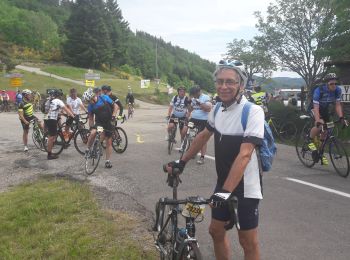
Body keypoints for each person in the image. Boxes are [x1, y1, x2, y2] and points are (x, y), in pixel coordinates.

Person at [165, 60, 264, 260]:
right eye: (220, 81)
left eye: (230, 82)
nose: (224, 86)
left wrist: (225, 193)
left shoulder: (252, 111)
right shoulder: (217, 109)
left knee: (247, 241)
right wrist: (182, 162)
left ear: (241, 85)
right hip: (223, 184)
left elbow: (245, 155)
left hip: (246, 187)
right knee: (216, 231)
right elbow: (203, 136)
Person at [308, 73, 348, 165]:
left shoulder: (337, 90)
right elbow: (316, 107)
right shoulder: (319, 90)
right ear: (327, 84)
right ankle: (310, 140)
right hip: (314, 108)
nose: (334, 85)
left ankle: (320, 151)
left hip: (324, 109)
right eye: (331, 84)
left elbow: (338, 105)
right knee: (320, 124)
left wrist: (341, 117)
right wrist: (318, 120)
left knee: (326, 129)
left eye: (335, 83)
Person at [83, 87, 118, 169]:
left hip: (109, 122)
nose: (90, 103)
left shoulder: (104, 98)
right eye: (88, 102)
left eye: (90, 100)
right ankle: (88, 150)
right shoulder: (90, 106)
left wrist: (113, 116)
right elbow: (91, 118)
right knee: (93, 132)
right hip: (100, 123)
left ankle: (107, 161)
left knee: (109, 142)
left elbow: (116, 106)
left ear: (93, 97)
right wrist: (91, 127)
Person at [44, 89, 75, 160]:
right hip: (51, 119)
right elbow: (66, 108)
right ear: (58, 95)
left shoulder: (51, 100)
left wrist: (64, 114)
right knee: (51, 137)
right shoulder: (58, 101)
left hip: (47, 118)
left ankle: (57, 142)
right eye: (60, 95)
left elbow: (55, 110)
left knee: (53, 135)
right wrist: (73, 116)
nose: (61, 97)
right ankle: (49, 154)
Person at [188, 86, 212, 164]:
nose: (193, 96)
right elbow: (190, 109)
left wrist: (200, 103)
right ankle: (193, 152)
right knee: (190, 135)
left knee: (202, 139)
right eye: (192, 94)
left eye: (194, 94)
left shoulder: (206, 97)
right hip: (193, 119)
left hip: (203, 120)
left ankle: (202, 157)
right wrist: (189, 103)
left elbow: (208, 108)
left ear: (198, 92)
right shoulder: (193, 98)